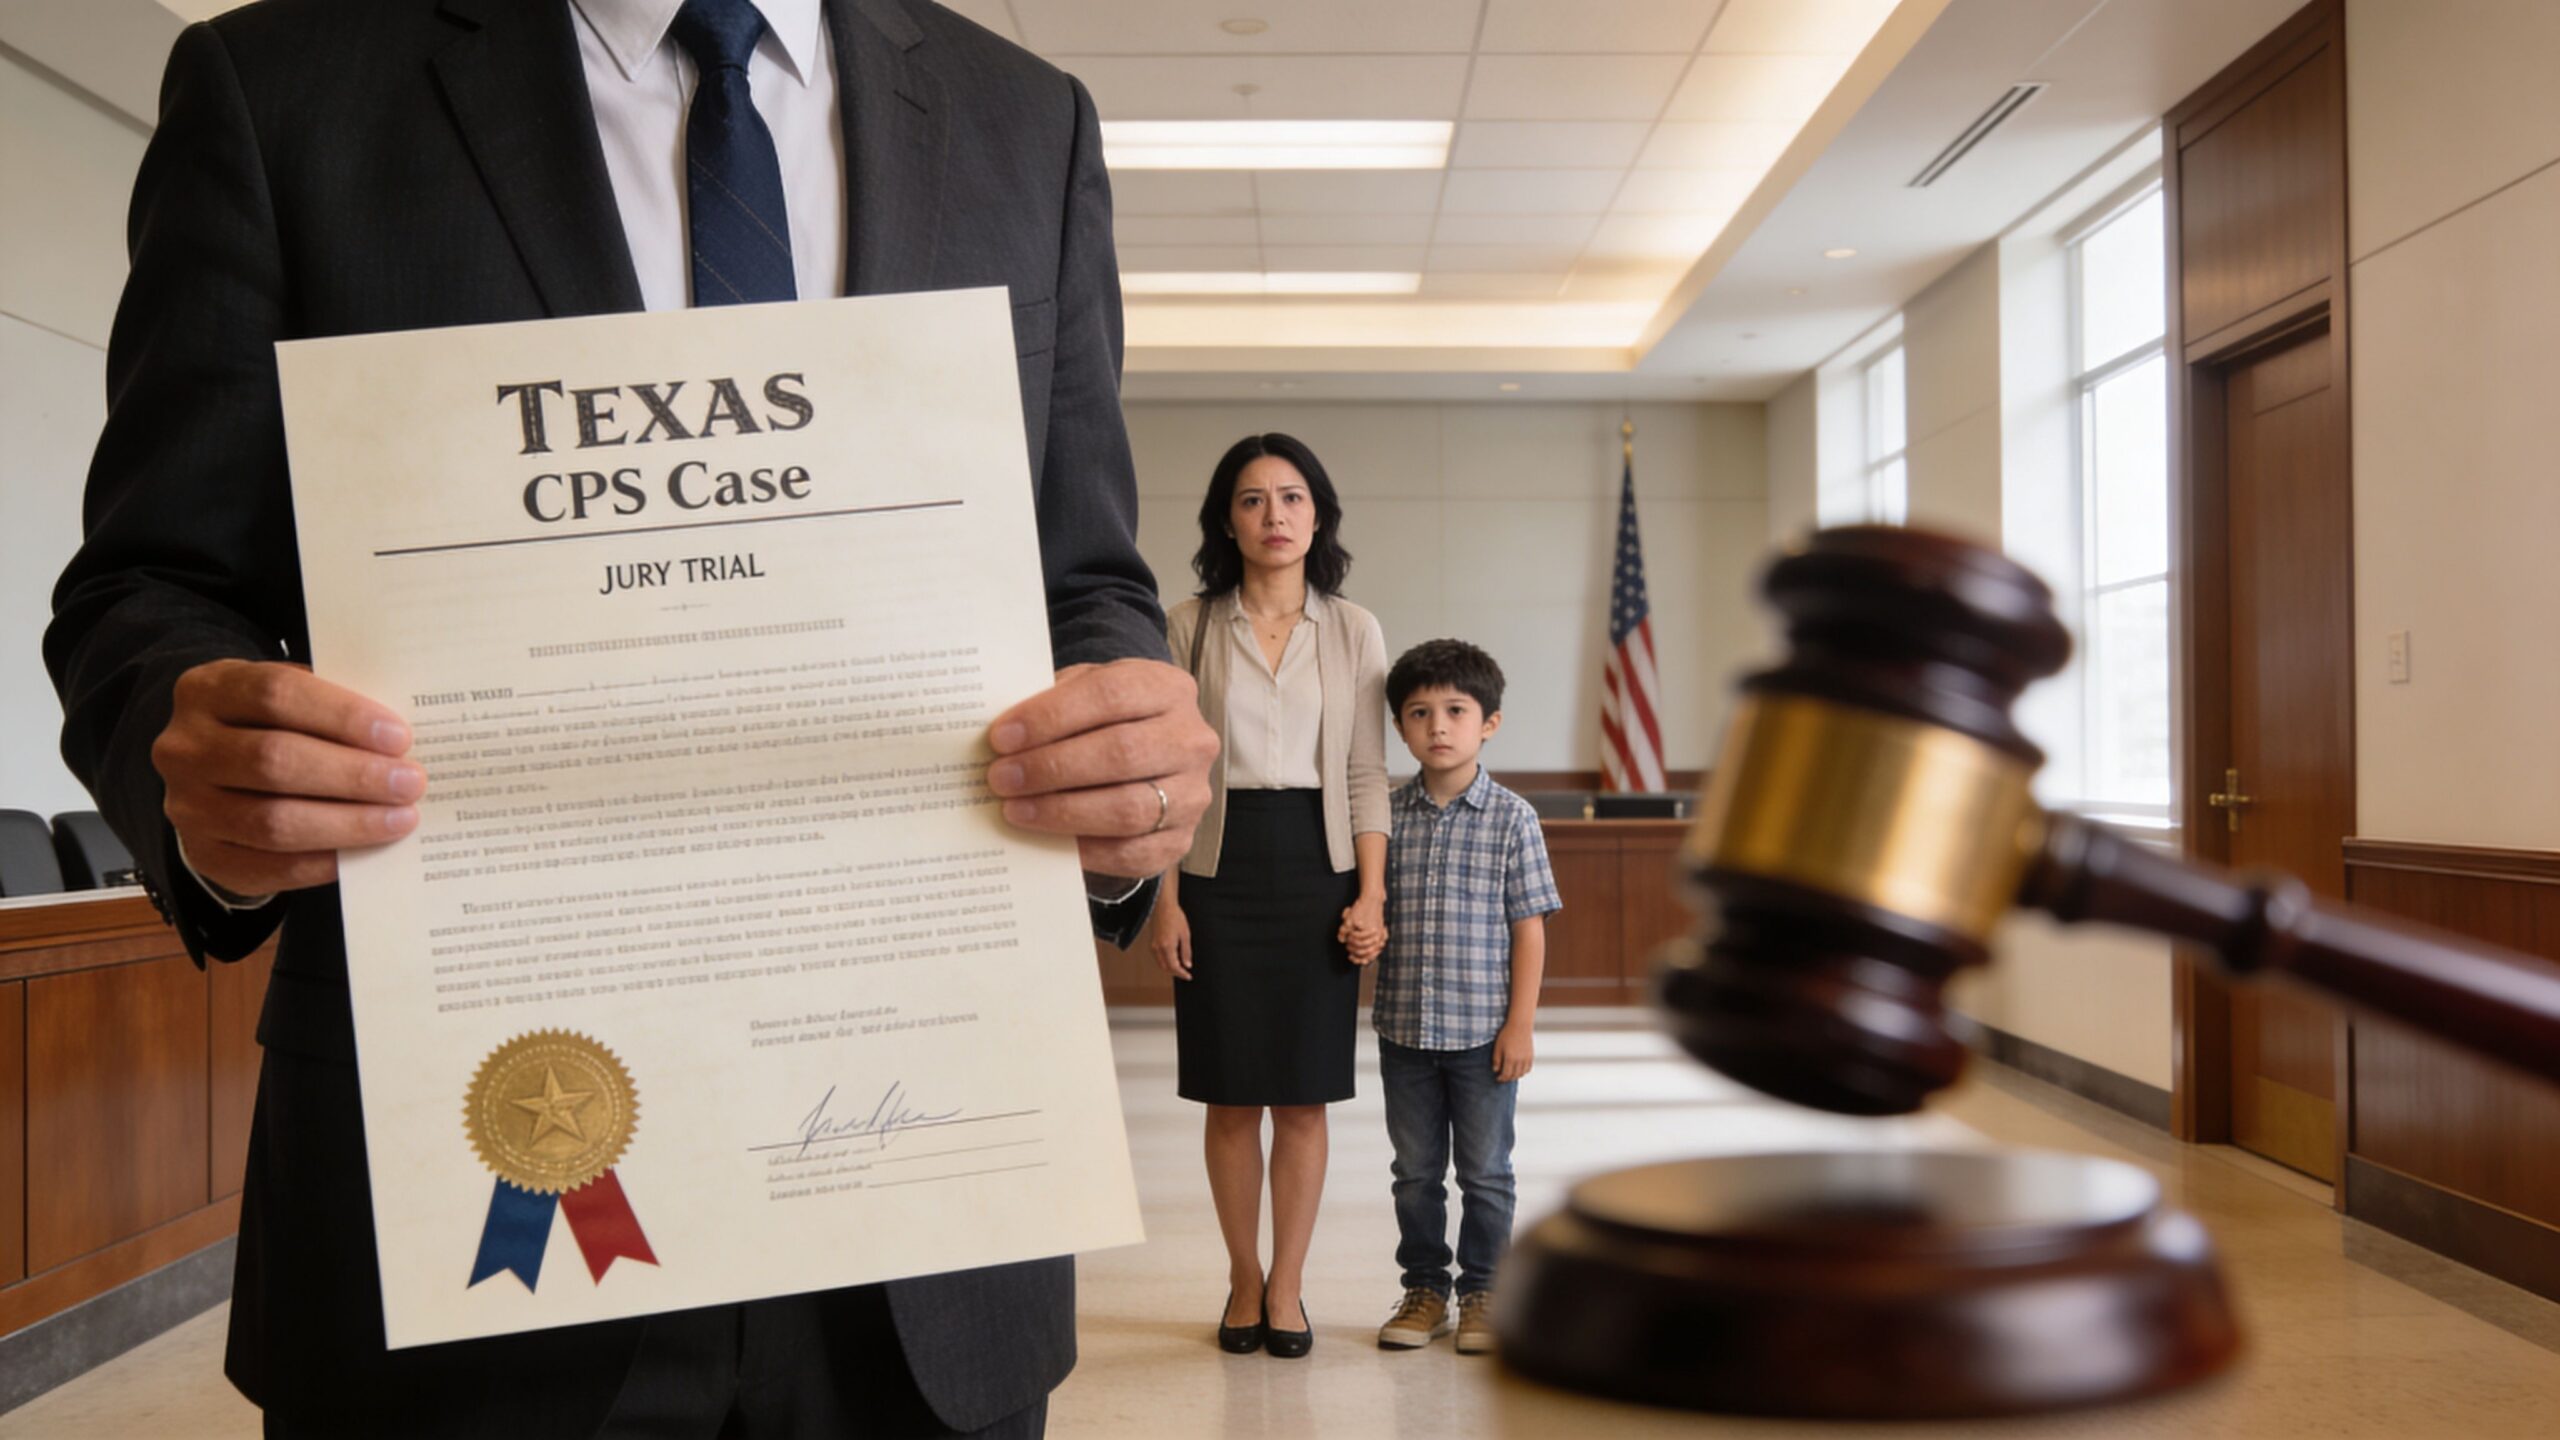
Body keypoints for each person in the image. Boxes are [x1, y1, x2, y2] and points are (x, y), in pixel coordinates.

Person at [44, 1, 1216, 1435]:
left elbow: (1083, 582)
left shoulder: (1028, 121)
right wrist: (206, 755)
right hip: (471, 1231)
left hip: (921, 1230)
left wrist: (1129, 767)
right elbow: (148, 582)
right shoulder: (282, 85)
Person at [1147, 433, 1389, 1360]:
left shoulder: (1355, 627)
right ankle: (1241, 1281)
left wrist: (1371, 894)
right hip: (1217, 866)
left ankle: (1287, 1287)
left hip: (1319, 868)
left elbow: (1367, 771)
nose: (1274, 516)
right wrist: (1164, 900)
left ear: (1317, 512)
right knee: (1229, 1097)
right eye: (1252, 500)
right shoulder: (1189, 624)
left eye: (1291, 497)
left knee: (1301, 1098)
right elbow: (1171, 775)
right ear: (1226, 520)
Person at [1366, 639, 1561, 1356]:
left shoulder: (1513, 819)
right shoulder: (1384, 818)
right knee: (1415, 1173)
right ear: (1400, 727)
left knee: (1485, 1172)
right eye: (1419, 713)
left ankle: (1485, 1289)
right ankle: (1425, 1289)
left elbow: (1530, 931)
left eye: (1455, 710)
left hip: (1484, 1035)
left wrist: (1521, 1026)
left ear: (1490, 723)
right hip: (1405, 1034)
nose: (1438, 726)